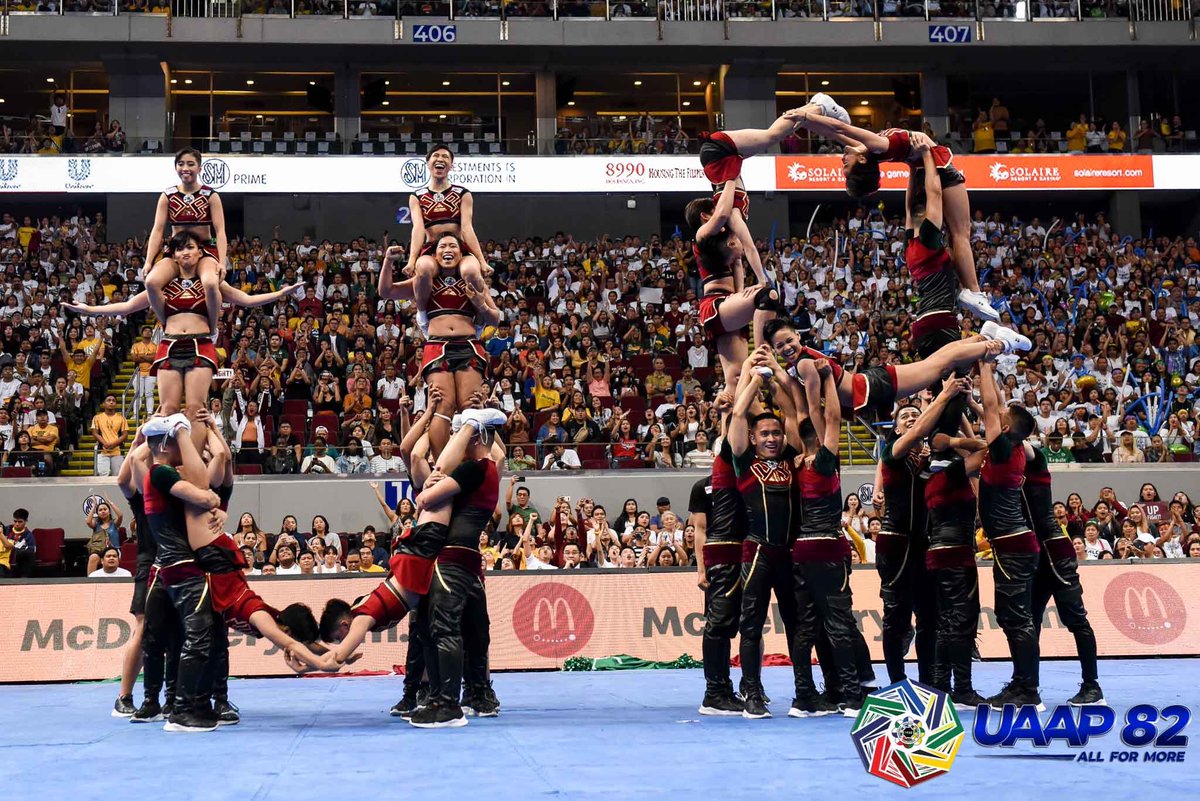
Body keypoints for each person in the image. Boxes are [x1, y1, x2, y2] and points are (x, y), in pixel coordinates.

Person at [63, 230, 299, 453]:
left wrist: (280, 294)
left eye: (190, 247)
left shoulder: (212, 282)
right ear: (173, 256)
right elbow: (126, 307)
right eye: (179, 249)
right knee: (167, 409)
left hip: (201, 344)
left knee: (195, 410)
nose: (184, 252)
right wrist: (89, 309)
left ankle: (193, 459)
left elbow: (247, 300)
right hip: (169, 345)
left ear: (200, 252)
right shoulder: (163, 284)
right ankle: (166, 458)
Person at [789, 101, 998, 322]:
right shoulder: (877, 146)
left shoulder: (867, 150)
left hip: (921, 169)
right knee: (960, 232)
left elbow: (835, 132)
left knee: (953, 233)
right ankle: (973, 291)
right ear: (860, 160)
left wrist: (803, 121)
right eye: (846, 168)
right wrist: (803, 116)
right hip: (936, 168)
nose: (842, 162)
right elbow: (841, 128)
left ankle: (968, 290)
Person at [871, 383, 969, 687]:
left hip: (925, 543)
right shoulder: (893, 452)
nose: (911, 418)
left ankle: (929, 681)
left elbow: (969, 451)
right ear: (896, 428)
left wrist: (956, 408)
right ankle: (898, 682)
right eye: (905, 416)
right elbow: (914, 436)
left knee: (930, 617)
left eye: (916, 414)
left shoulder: (933, 462)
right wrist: (941, 396)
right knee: (896, 616)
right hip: (895, 540)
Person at [725, 351, 801, 720]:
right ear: (753, 439)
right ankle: (752, 690)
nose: (771, 438)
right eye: (764, 434)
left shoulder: (791, 460)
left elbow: (795, 415)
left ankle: (806, 690)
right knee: (751, 624)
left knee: (798, 624)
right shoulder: (743, 462)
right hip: (756, 552)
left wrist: (778, 380)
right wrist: (755, 378)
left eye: (776, 433)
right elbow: (739, 415)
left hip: (788, 554)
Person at [789, 357, 866, 717]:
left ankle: (804, 696)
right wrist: (829, 379)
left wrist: (789, 383)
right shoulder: (823, 461)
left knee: (806, 625)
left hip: (801, 548)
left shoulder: (796, 467)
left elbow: (795, 418)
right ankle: (851, 696)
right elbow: (833, 418)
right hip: (826, 545)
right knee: (837, 622)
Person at [378, 234, 500, 455]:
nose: (448, 249)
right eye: (442, 246)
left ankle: (475, 463)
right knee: (442, 405)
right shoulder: (425, 282)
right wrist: (388, 260)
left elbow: (495, 318)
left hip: (469, 345)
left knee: (471, 405)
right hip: (437, 346)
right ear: (434, 256)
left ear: (462, 254)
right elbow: (386, 291)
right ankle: (442, 466)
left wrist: (479, 304)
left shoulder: (473, 281)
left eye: (453, 245)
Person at [766, 318, 1007, 422]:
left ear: (798, 336)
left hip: (872, 386)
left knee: (939, 365)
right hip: (871, 384)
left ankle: (1000, 344)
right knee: (935, 362)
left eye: (789, 341)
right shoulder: (796, 364)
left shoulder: (804, 364)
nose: (787, 348)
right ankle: (983, 336)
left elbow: (812, 412)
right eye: (780, 346)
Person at [977, 361, 1043, 710]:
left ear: (1004, 427)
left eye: (1000, 417)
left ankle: (1028, 689)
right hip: (1015, 544)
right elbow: (996, 408)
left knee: (1016, 618)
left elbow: (991, 405)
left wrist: (984, 364)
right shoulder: (1015, 445)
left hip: (1012, 545)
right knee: (1011, 616)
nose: (994, 413)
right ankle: (1021, 682)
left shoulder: (1003, 447)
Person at [1023, 442, 1104, 706]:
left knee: (1076, 621)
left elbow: (1016, 438)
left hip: (1056, 552)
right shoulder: (1002, 472)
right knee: (1029, 625)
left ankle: (1092, 687)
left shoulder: (1035, 463)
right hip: (1033, 556)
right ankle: (1028, 689)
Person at [685, 179, 778, 392]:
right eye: (714, 208)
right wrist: (728, 178)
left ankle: (727, 414)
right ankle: (763, 355)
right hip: (716, 303)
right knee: (767, 295)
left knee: (736, 381)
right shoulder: (701, 235)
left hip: (728, 306)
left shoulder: (724, 235)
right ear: (705, 216)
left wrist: (741, 293)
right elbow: (723, 213)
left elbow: (737, 263)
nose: (720, 209)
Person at [688, 398, 747, 716]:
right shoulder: (702, 487)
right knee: (718, 625)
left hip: (748, 557)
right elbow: (699, 531)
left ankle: (749, 687)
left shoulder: (747, 479)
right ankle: (715, 691)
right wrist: (701, 571)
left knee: (746, 626)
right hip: (718, 560)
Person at [143, 148, 227, 337]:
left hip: (204, 250)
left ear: (199, 168)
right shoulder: (167, 196)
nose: (185, 168)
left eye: (190, 164)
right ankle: (166, 324)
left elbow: (220, 231)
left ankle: (212, 329)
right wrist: (149, 261)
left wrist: (222, 262)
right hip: (176, 251)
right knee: (151, 282)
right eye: (181, 164)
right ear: (175, 167)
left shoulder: (210, 195)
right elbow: (157, 230)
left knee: (211, 283)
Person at [91, 393, 128, 477]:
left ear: (116, 404)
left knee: (118, 475)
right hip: (102, 450)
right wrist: (105, 443)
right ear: (104, 404)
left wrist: (113, 444)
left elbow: (125, 434)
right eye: (109, 400)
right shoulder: (97, 417)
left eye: (113, 401)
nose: (111, 402)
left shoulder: (121, 418)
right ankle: (103, 491)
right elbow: (94, 432)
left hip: (118, 451)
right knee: (103, 474)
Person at [85, 496, 123, 576]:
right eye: (100, 510)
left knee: (110, 556)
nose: (103, 511)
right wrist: (94, 506)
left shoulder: (114, 523)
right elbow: (88, 522)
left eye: (105, 509)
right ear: (97, 513)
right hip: (100, 551)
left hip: (113, 551)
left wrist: (110, 503)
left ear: (109, 512)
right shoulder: (96, 524)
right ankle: (90, 582)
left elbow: (120, 515)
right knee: (93, 557)